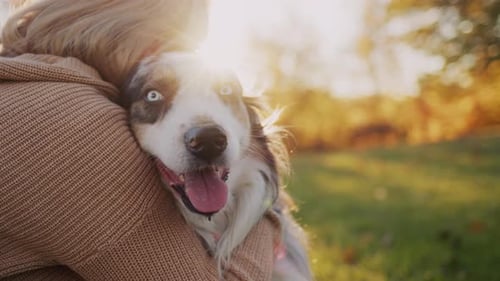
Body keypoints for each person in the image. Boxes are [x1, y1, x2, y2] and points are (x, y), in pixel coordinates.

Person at [0, 0, 280, 280]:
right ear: (125, 26)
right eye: (172, 39)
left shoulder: (34, 82)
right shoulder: (72, 122)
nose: (181, 54)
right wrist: (269, 214)